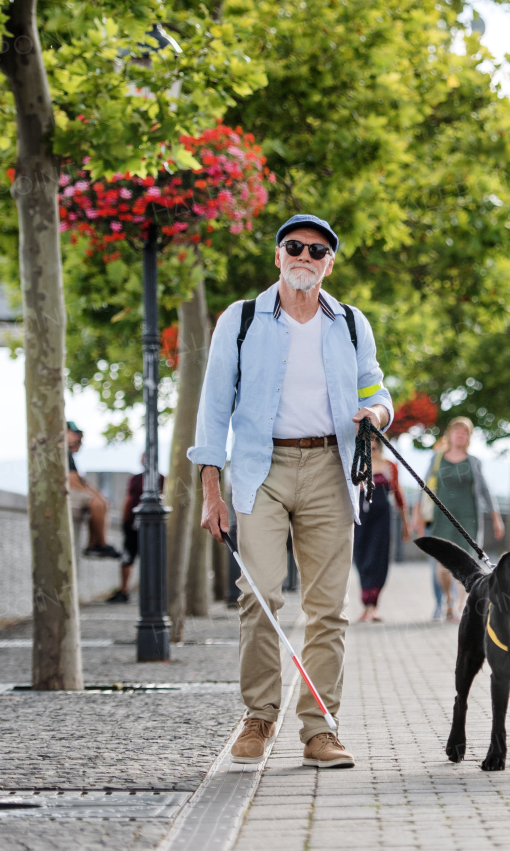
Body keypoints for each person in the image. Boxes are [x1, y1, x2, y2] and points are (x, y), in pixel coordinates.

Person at [189, 213, 394, 769]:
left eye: (318, 250)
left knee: (328, 608)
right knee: (260, 596)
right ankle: (259, 715)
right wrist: (211, 488)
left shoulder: (350, 323)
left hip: (332, 467)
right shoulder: (241, 320)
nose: (305, 256)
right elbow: (212, 410)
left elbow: (378, 390)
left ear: (330, 263)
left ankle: (319, 729)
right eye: (294, 247)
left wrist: (375, 410)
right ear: (277, 255)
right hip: (262, 468)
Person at [413, 417, 504, 622]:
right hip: (441, 518)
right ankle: (448, 598)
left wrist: (496, 518)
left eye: (465, 432)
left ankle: (461, 606)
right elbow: (424, 488)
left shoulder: (474, 462)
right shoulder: (437, 459)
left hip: (468, 518)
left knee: (466, 563)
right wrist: (416, 516)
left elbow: (486, 492)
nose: (460, 435)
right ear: (450, 434)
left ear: (469, 437)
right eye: (457, 431)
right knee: (442, 565)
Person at [353, 434, 411, 622]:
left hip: (381, 518)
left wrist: (405, 523)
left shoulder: (389, 466)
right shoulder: (357, 465)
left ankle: (373, 606)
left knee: (378, 558)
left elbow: (398, 495)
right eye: (368, 447)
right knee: (361, 557)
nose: (372, 450)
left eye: (375, 447)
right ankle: (365, 603)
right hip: (361, 518)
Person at [111, 455, 165, 604]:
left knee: (151, 559)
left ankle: (151, 592)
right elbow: (128, 498)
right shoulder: (136, 478)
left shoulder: (161, 478)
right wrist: (125, 520)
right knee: (128, 557)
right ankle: (124, 590)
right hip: (132, 524)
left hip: (152, 525)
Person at [67, 422, 122, 560]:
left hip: (74, 491)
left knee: (102, 501)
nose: (77, 439)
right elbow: (72, 480)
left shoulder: (69, 455)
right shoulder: (61, 452)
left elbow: (81, 480)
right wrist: (93, 495)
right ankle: (98, 544)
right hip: (66, 493)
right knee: (96, 503)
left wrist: (98, 494)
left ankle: (97, 544)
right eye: (74, 434)